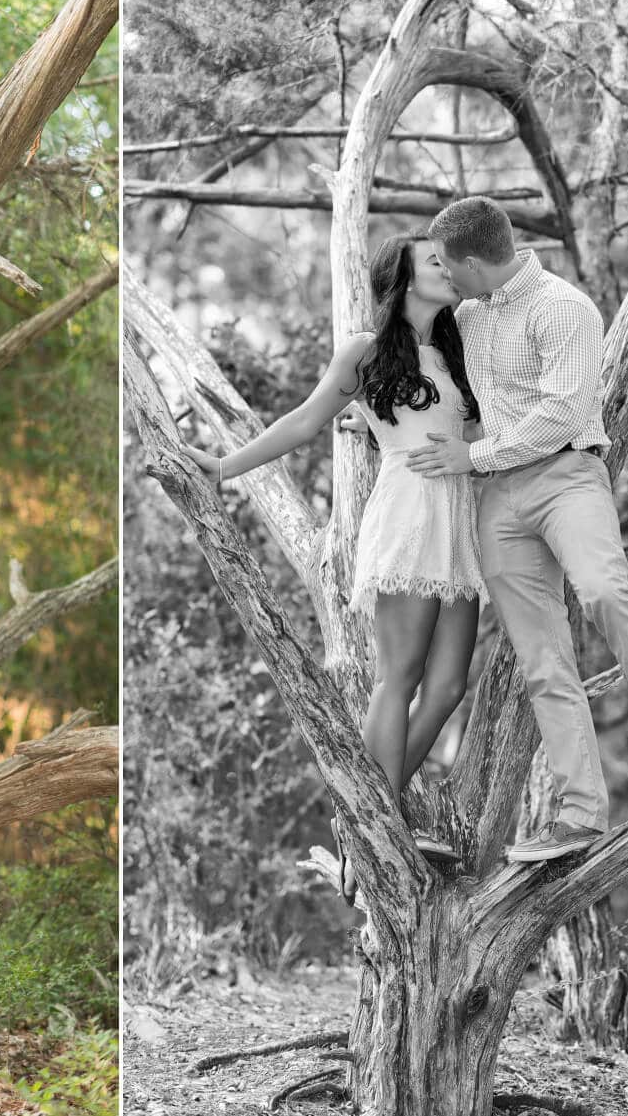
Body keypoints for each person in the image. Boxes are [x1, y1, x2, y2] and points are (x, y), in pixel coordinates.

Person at [410, 196, 628, 863]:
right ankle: (581, 814)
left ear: (472, 259)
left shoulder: (564, 307)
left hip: (566, 479)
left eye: (447, 263)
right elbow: (459, 406)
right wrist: (387, 425)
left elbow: (561, 413)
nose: (444, 276)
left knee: (606, 592)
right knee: (541, 660)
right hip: (498, 501)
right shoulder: (467, 317)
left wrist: (473, 456)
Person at [184, 234, 484, 879]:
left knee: (450, 685)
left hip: (459, 518)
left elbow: (473, 435)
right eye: (435, 261)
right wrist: (225, 468)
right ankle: (377, 835)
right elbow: (302, 421)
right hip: (408, 513)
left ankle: (363, 823)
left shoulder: (457, 350)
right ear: (402, 279)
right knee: (397, 677)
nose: (449, 268)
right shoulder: (366, 351)